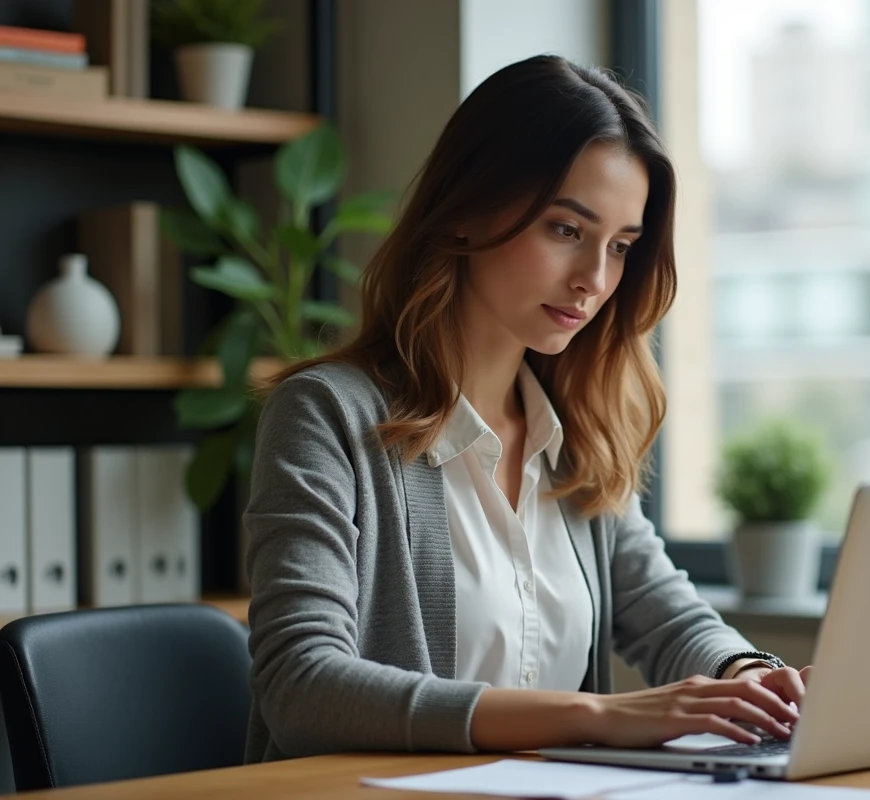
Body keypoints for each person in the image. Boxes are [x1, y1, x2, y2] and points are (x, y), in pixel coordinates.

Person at [243, 54, 809, 763]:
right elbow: (302, 686)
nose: (594, 279)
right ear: (465, 211)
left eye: (620, 247)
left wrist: (749, 675)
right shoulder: (325, 415)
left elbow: (667, 616)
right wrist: (598, 716)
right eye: (566, 230)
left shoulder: (576, 435)